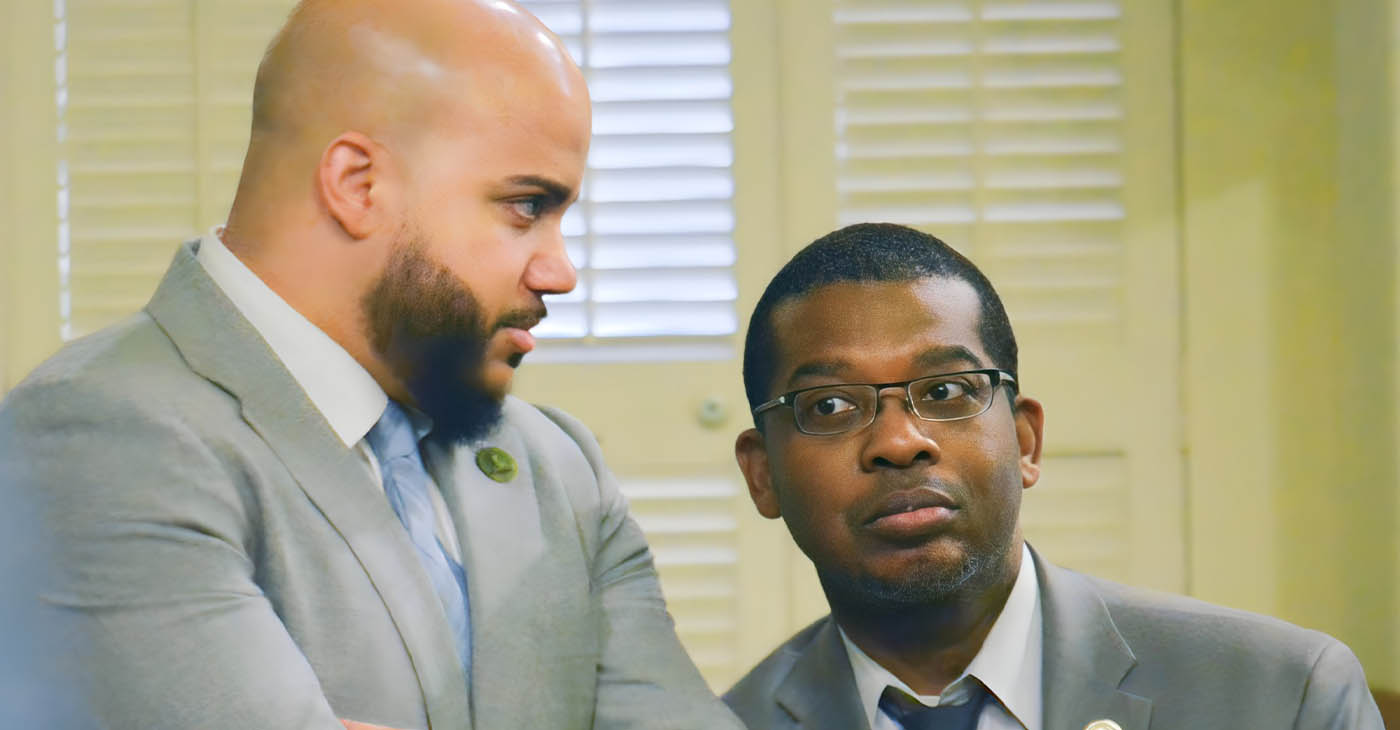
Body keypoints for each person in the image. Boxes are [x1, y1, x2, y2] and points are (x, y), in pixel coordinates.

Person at [0, 1, 742, 728]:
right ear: (358, 185)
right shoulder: (93, 438)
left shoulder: (559, 464)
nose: (561, 272)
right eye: (526, 206)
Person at [724, 223, 1383, 730]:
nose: (899, 442)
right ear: (763, 475)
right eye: (830, 406)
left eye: (947, 391)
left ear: (1025, 439)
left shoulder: (1283, 694)